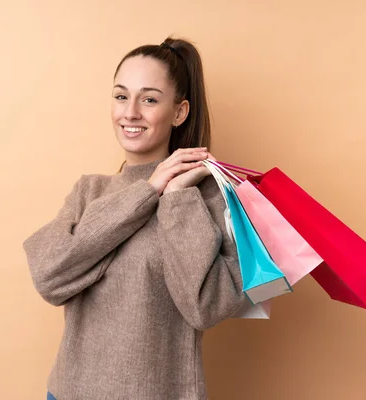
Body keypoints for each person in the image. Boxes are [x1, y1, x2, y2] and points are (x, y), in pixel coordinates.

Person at [23, 36, 245, 400]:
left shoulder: (208, 197)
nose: (130, 112)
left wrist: (175, 197)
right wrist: (148, 190)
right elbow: (49, 277)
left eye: (150, 99)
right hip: (68, 392)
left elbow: (205, 307)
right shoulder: (89, 191)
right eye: (121, 96)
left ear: (179, 112)